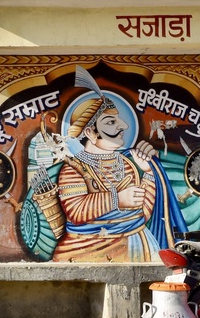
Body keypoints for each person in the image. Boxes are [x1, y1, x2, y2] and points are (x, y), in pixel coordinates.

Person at [51, 66, 185, 262]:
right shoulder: (72, 168)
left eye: (118, 120)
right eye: (111, 122)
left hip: (138, 245)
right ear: (90, 132)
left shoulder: (127, 163)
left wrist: (148, 173)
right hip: (86, 250)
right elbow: (77, 211)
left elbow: (143, 214)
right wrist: (117, 199)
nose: (124, 126)